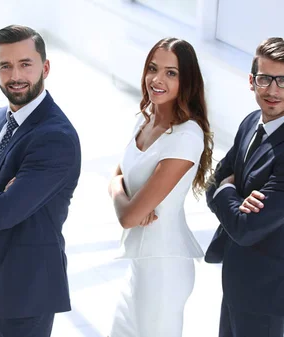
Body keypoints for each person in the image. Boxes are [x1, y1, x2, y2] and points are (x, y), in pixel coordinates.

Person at [0, 25, 81, 337]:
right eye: (5, 66)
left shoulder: (55, 136)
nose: (15, 75)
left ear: (45, 68)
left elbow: (4, 211)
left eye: (26, 64)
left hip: (28, 286)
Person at [205, 37, 284, 337]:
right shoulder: (252, 121)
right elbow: (212, 181)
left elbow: (246, 228)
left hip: (266, 295)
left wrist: (228, 191)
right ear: (252, 81)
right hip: (235, 282)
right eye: (265, 79)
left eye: (283, 80)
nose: (272, 90)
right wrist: (228, 193)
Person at [107, 38, 213, 337]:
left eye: (171, 72)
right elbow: (118, 176)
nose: (157, 79)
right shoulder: (145, 119)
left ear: (186, 80)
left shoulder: (187, 135)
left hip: (163, 268)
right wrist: (120, 189)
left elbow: (127, 216)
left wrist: (119, 192)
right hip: (140, 264)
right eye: (153, 68)